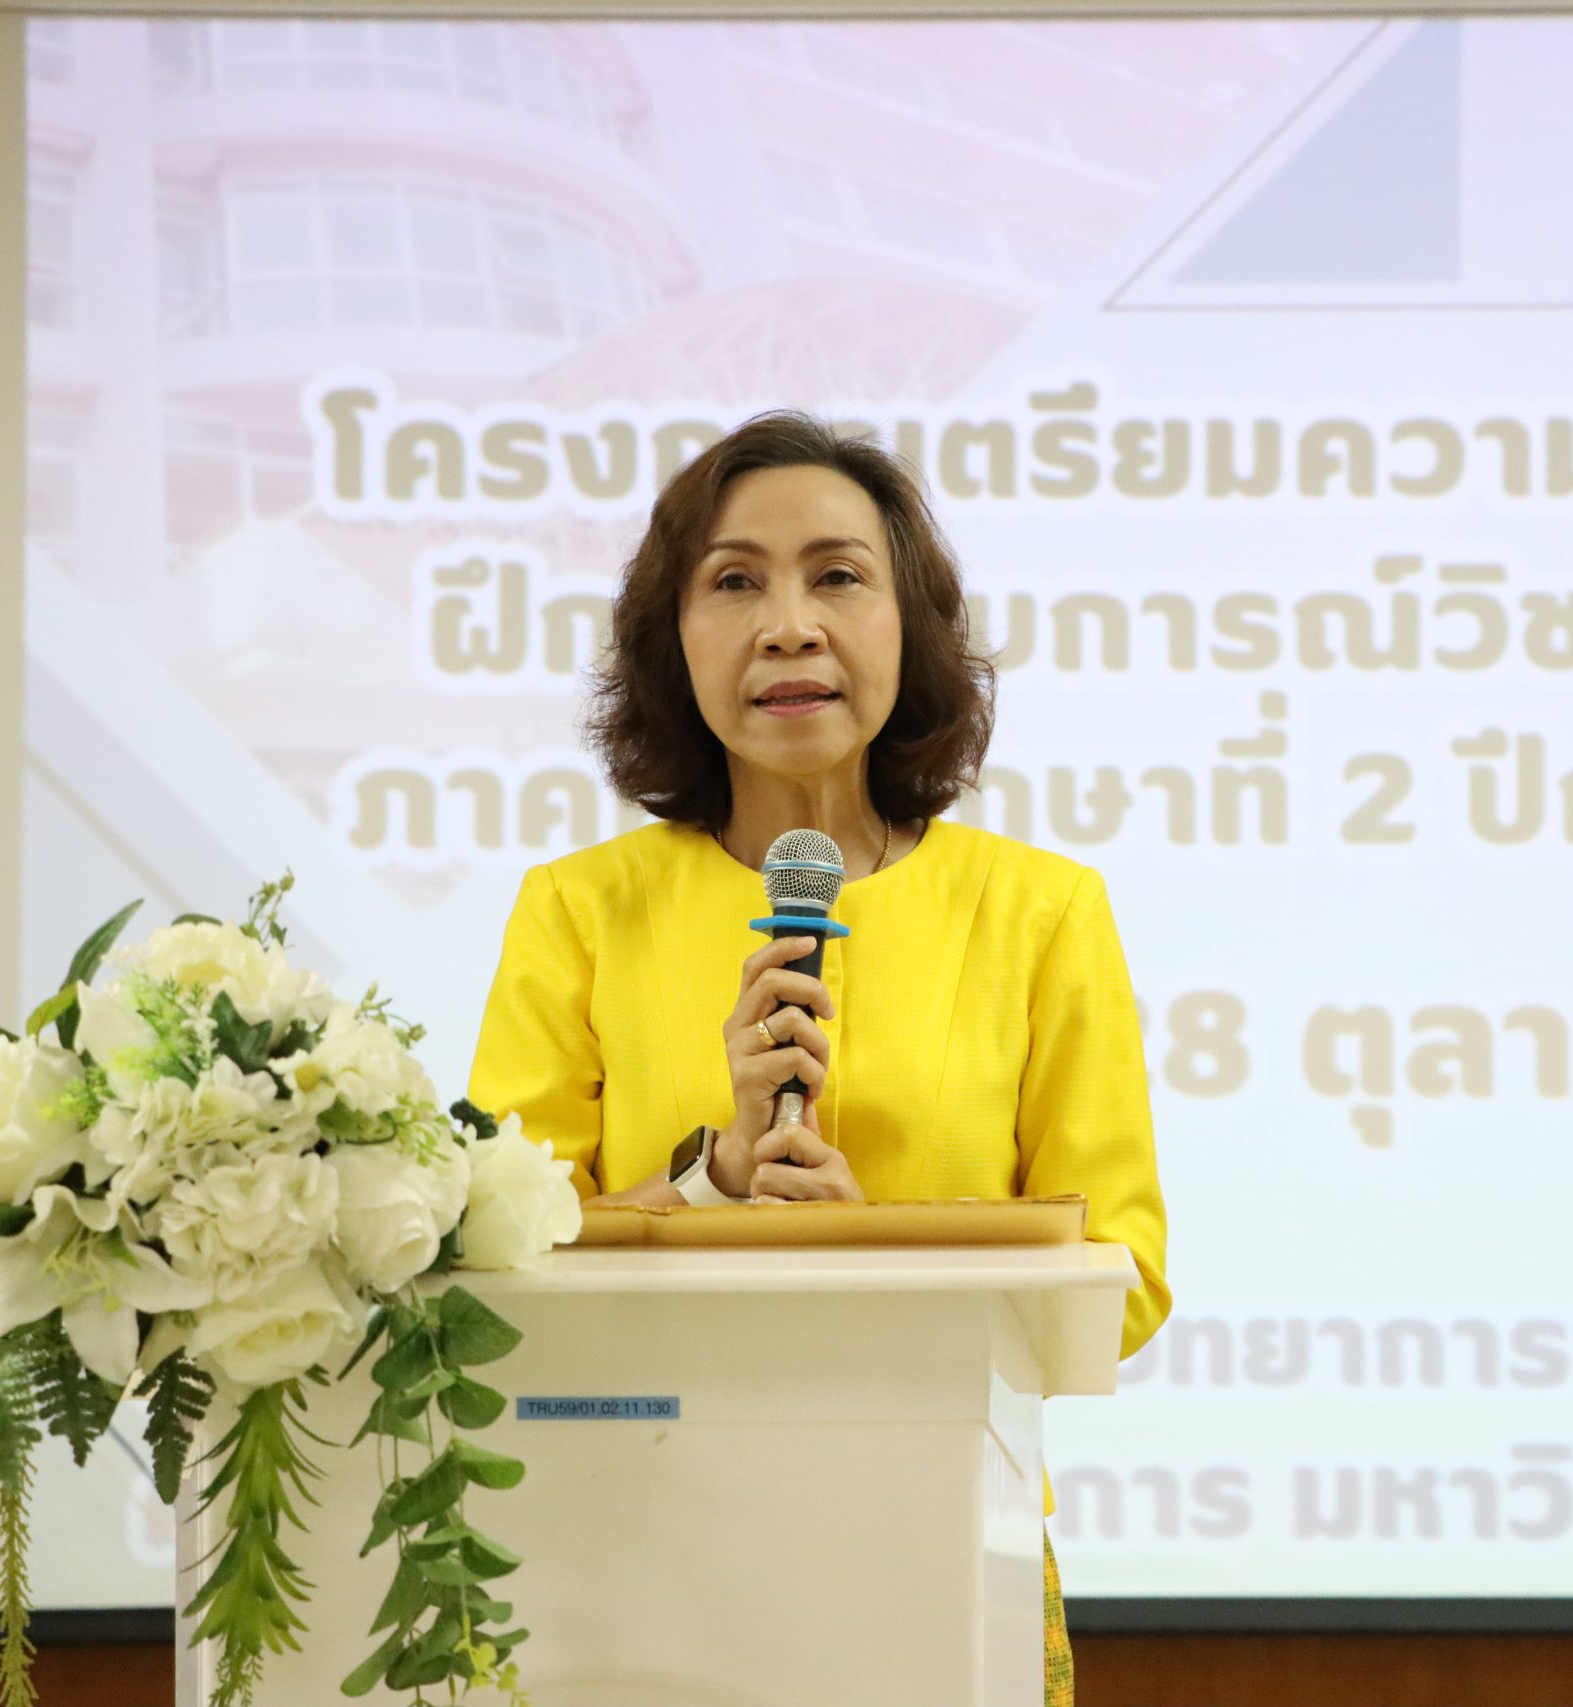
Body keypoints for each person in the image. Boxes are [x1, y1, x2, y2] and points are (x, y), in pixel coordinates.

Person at [467, 410, 1169, 1706]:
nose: (789, 626)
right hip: (635, 1541)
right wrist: (714, 1180)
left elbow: (1123, 1279)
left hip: (941, 1543)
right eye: (735, 582)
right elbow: (491, 1266)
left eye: (837, 576)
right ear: (674, 641)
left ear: (912, 626)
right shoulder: (579, 910)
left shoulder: (1040, 911)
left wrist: (880, 1262)